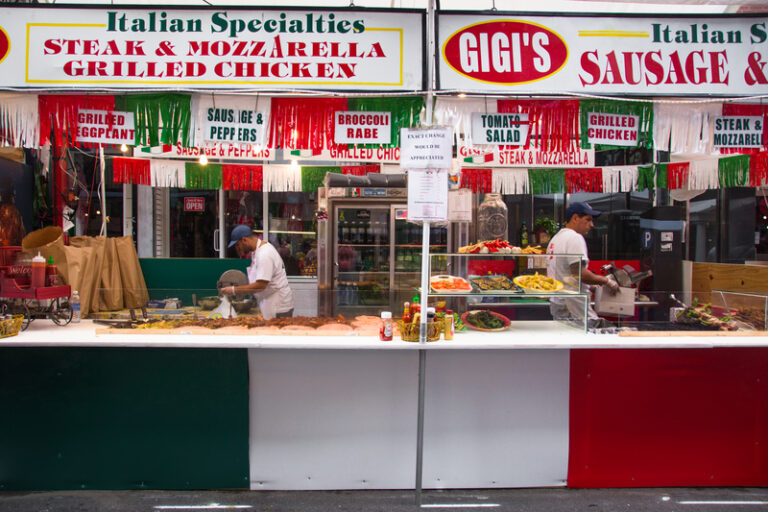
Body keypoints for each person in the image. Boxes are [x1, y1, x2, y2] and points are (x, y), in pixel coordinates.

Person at [546, 202, 619, 328]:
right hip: (574, 306)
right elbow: (580, 274)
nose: (592, 225)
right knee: (591, 337)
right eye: (588, 220)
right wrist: (607, 281)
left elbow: (566, 274)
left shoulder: (556, 238)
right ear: (575, 218)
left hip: (559, 303)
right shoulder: (575, 238)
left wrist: (591, 286)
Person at [222, 224, 295, 319]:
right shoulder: (257, 251)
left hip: (277, 308)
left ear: (245, 240)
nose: (238, 249)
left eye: (237, 245)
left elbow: (261, 285)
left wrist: (234, 290)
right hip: (269, 303)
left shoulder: (264, 254)